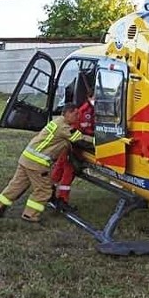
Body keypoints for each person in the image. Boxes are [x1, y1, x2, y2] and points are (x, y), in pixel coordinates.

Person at [0, 104, 83, 223]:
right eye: (76, 114)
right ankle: (30, 215)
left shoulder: (56, 122)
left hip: (26, 158)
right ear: (68, 113)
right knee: (43, 191)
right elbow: (80, 139)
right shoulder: (63, 127)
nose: (78, 117)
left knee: (16, 186)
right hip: (37, 164)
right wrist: (98, 140)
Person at [51, 81, 95, 210]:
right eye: (94, 98)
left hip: (72, 145)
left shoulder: (93, 110)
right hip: (72, 146)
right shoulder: (82, 112)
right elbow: (76, 135)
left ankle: (49, 191)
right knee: (67, 171)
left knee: (59, 169)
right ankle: (61, 199)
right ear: (89, 97)